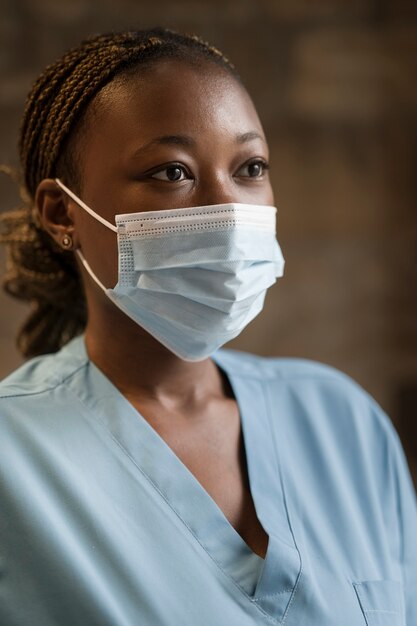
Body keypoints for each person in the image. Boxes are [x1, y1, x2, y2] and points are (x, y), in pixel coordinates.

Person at [0, 28, 416, 626]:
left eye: (250, 167)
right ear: (62, 213)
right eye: (173, 173)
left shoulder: (342, 422)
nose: (227, 210)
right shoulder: (17, 456)